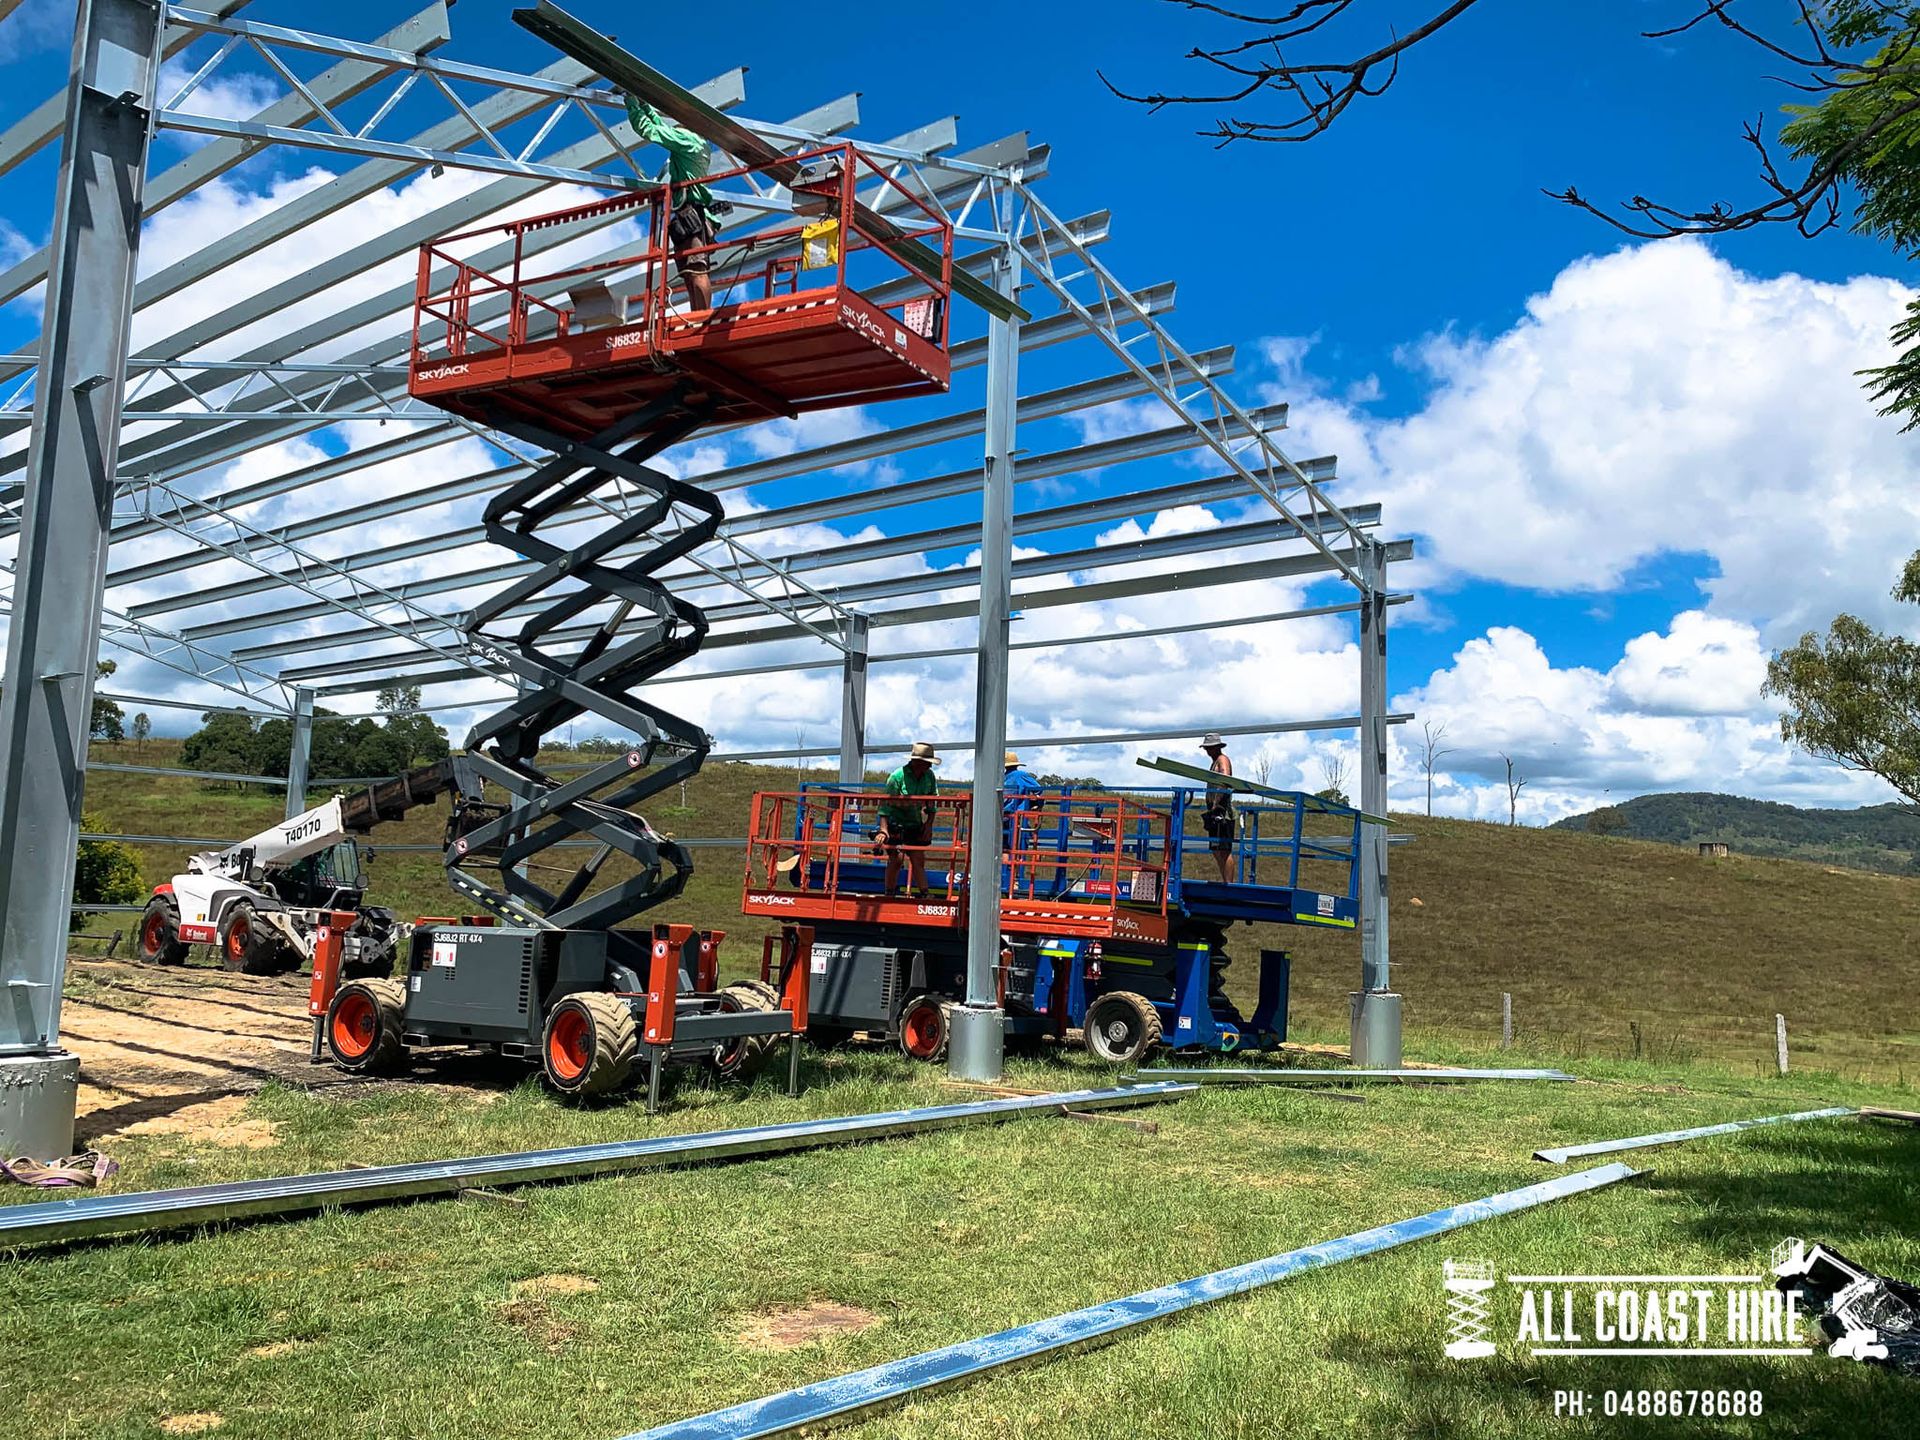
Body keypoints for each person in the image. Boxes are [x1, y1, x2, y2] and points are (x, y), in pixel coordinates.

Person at [625, 97, 721, 311]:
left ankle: (701, 316)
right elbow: (660, 127)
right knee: (690, 272)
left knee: (696, 270)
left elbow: (649, 131)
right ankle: (698, 315)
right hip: (690, 215)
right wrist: (645, 104)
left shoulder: (688, 140)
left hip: (692, 215)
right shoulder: (696, 142)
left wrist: (632, 104)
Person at [879, 741, 940, 898]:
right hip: (894, 823)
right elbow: (885, 804)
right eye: (927, 763)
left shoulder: (929, 776)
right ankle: (889, 893)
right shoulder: (897, 777)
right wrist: (884, 829)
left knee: (918, 858)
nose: (929, 767)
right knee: (896, 858)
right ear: (917, 762)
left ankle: (924, 893)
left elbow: (932, 801)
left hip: (914, 823)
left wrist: (929, 824)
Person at [1002, 751, 1043, 886]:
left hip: (1002, 815)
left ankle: (1005, 876)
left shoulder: (1002, 777)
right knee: (1017, 846)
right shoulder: (1021, 775)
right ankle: (1015, 878)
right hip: (1017, 816)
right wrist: (1033, 802)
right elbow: (1038, 789)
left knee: (1004, 847)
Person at [1201, 732, 1235, 882]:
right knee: (1216, 850)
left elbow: (1225, 780)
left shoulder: (1222, 760)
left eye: (1210, 748)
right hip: (1215, 812)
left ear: (1217, 747)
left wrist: (1216, 805)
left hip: (1223, 813)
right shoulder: (1214, 762)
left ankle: (1229, 884)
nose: (1207, 751)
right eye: (1207, 748)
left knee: (1224, 850)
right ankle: (1225, 881)